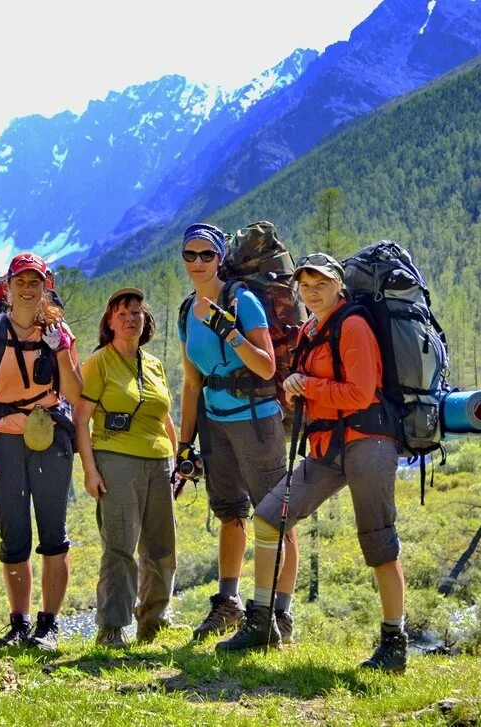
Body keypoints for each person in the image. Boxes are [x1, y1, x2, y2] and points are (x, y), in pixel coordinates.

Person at [219, 253, 407, 672]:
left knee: (378, 540)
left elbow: (359, 394)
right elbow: (309, 391)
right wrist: (293, 387)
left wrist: (310, 386)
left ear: (338, 284)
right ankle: (263, 621)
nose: (312, 290)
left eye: (321, 282)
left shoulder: (353, 325)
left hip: (368, 442)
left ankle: (395, 642)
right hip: (328, 446)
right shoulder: (309, 330)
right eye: (305, 284)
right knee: (269, 517)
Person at [176, 223, 299, 642]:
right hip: (215, 424)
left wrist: (228, 329)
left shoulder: (242, 300)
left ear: (218, 258)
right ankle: (228, 604)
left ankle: (279, 614)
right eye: (189, 255)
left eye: (205, 255)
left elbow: (265, 365)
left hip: (256, 418)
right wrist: (183, 443)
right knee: (231, 513)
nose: (197, 263)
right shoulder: (185, 311)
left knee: (275, 516)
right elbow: (193, 383)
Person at [0, 252, 82, 651]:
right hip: (3, 438)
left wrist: (63, 350)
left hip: (50, 436)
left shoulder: (58, 330)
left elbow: (73, 392)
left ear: (45, 284)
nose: (28, 287)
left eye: (35, 281)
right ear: (9, 284)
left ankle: (48, 625)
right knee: (13, 534)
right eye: (21, 280)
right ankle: (18, 624)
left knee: (54, 533)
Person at [75, 288, 177, 648]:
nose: (130, 318)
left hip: (159, 462)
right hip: (116, 460)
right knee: (120, 546)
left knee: (162, 548)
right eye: (122, 313)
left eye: (136, 312)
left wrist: (175, 460)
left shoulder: (154, 364)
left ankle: (154, 620)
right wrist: (90, 470)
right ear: (110, 322)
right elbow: (81, 420)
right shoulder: (99, 362)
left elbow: (164, 417)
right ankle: (112, 628)